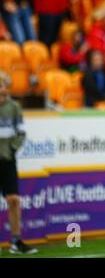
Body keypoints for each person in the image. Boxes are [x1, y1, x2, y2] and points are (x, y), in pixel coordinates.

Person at [0, 71, 38, 254]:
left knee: (13, 200)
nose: (3, 90)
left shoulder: (14, 107)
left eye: (5, 86)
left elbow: (21, 133)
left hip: (7, 159)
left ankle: (16, 241)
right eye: (0, 86)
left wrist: (12, 149)